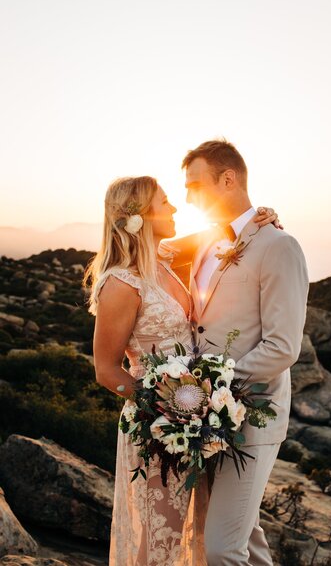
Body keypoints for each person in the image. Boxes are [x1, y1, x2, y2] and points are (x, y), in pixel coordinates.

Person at [84, 174, 280, 566]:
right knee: (162, 537)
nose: (174, 208)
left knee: (202, 529)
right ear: (139, 217)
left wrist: (258, 218)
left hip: (195, 421)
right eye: (165, 203)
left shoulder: (164, 260)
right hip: (157, 428)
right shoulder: (121, 283)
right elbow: (107, 371)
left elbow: (220, 232)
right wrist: (167, 409)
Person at [178, 139, 309, 566]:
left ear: (228, 178)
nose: (187, 197)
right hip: (207, 417)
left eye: (195, 185)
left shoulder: (279, 247)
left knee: (221, 548)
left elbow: (282, 347)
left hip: (253, 414)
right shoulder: (206, 243)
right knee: (245, 539)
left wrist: (210, 386)